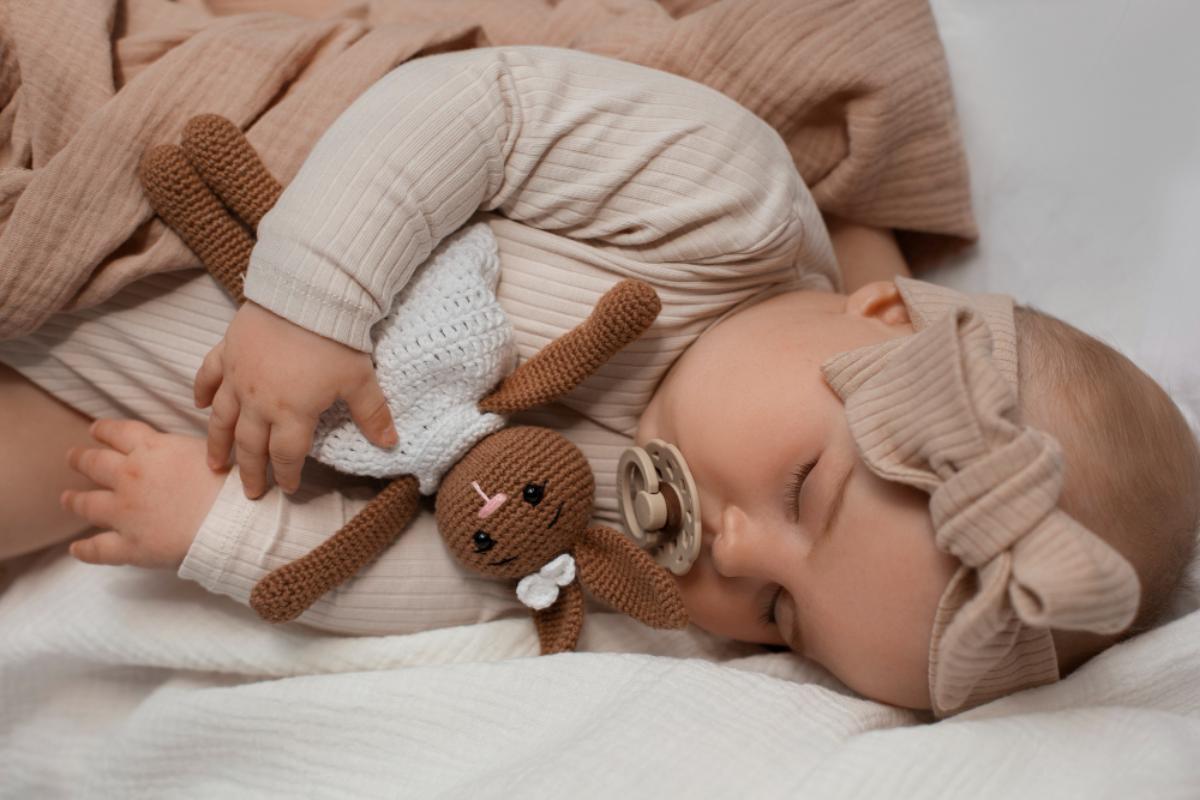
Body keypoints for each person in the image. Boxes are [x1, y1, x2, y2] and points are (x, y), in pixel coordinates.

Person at [3, 47, 1197, 715]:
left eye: (782, 614)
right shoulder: (726, 206)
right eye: (803, 487)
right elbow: (476, 108)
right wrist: (313, 297)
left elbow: (450, 585)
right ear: (877, 312)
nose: (736, 550)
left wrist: (219, 529)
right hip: (226, 219)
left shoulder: (641, 577)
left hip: (152, 410)